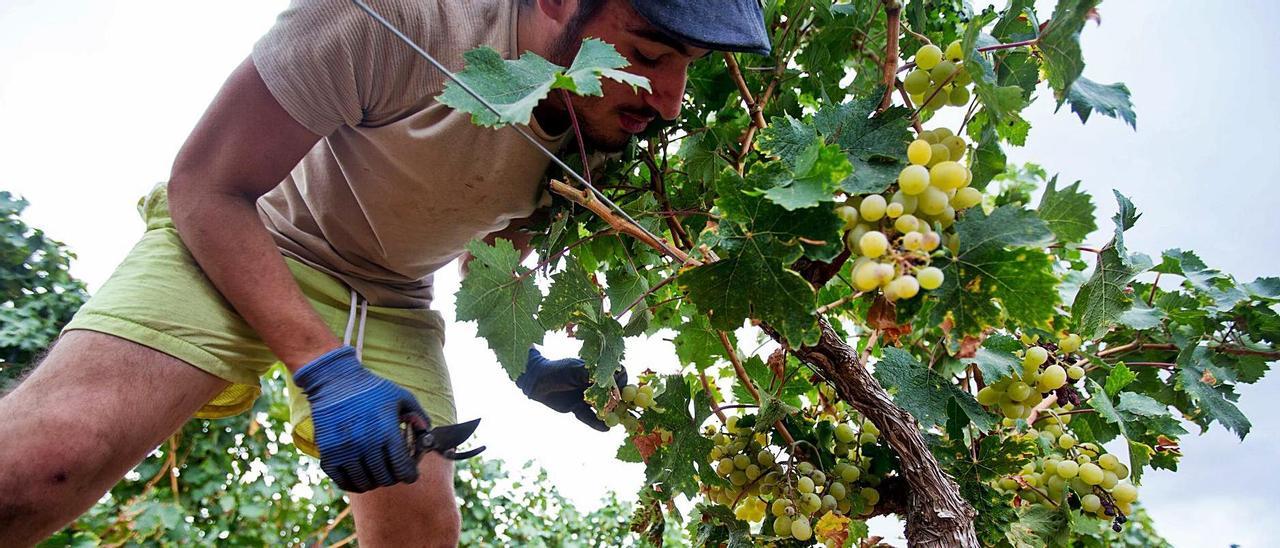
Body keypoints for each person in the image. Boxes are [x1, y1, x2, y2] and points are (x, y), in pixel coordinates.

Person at [0, 0, 769, 544]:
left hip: (394, 299)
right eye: (647, 56)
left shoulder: (602, 116)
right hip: (251, 232)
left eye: (687, 67)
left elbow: (492, 247)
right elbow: (205, 186)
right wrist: (325, 369)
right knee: (44, 470)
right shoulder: (396, 15)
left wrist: (525, 361)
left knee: (420, 534)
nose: (668, 102)